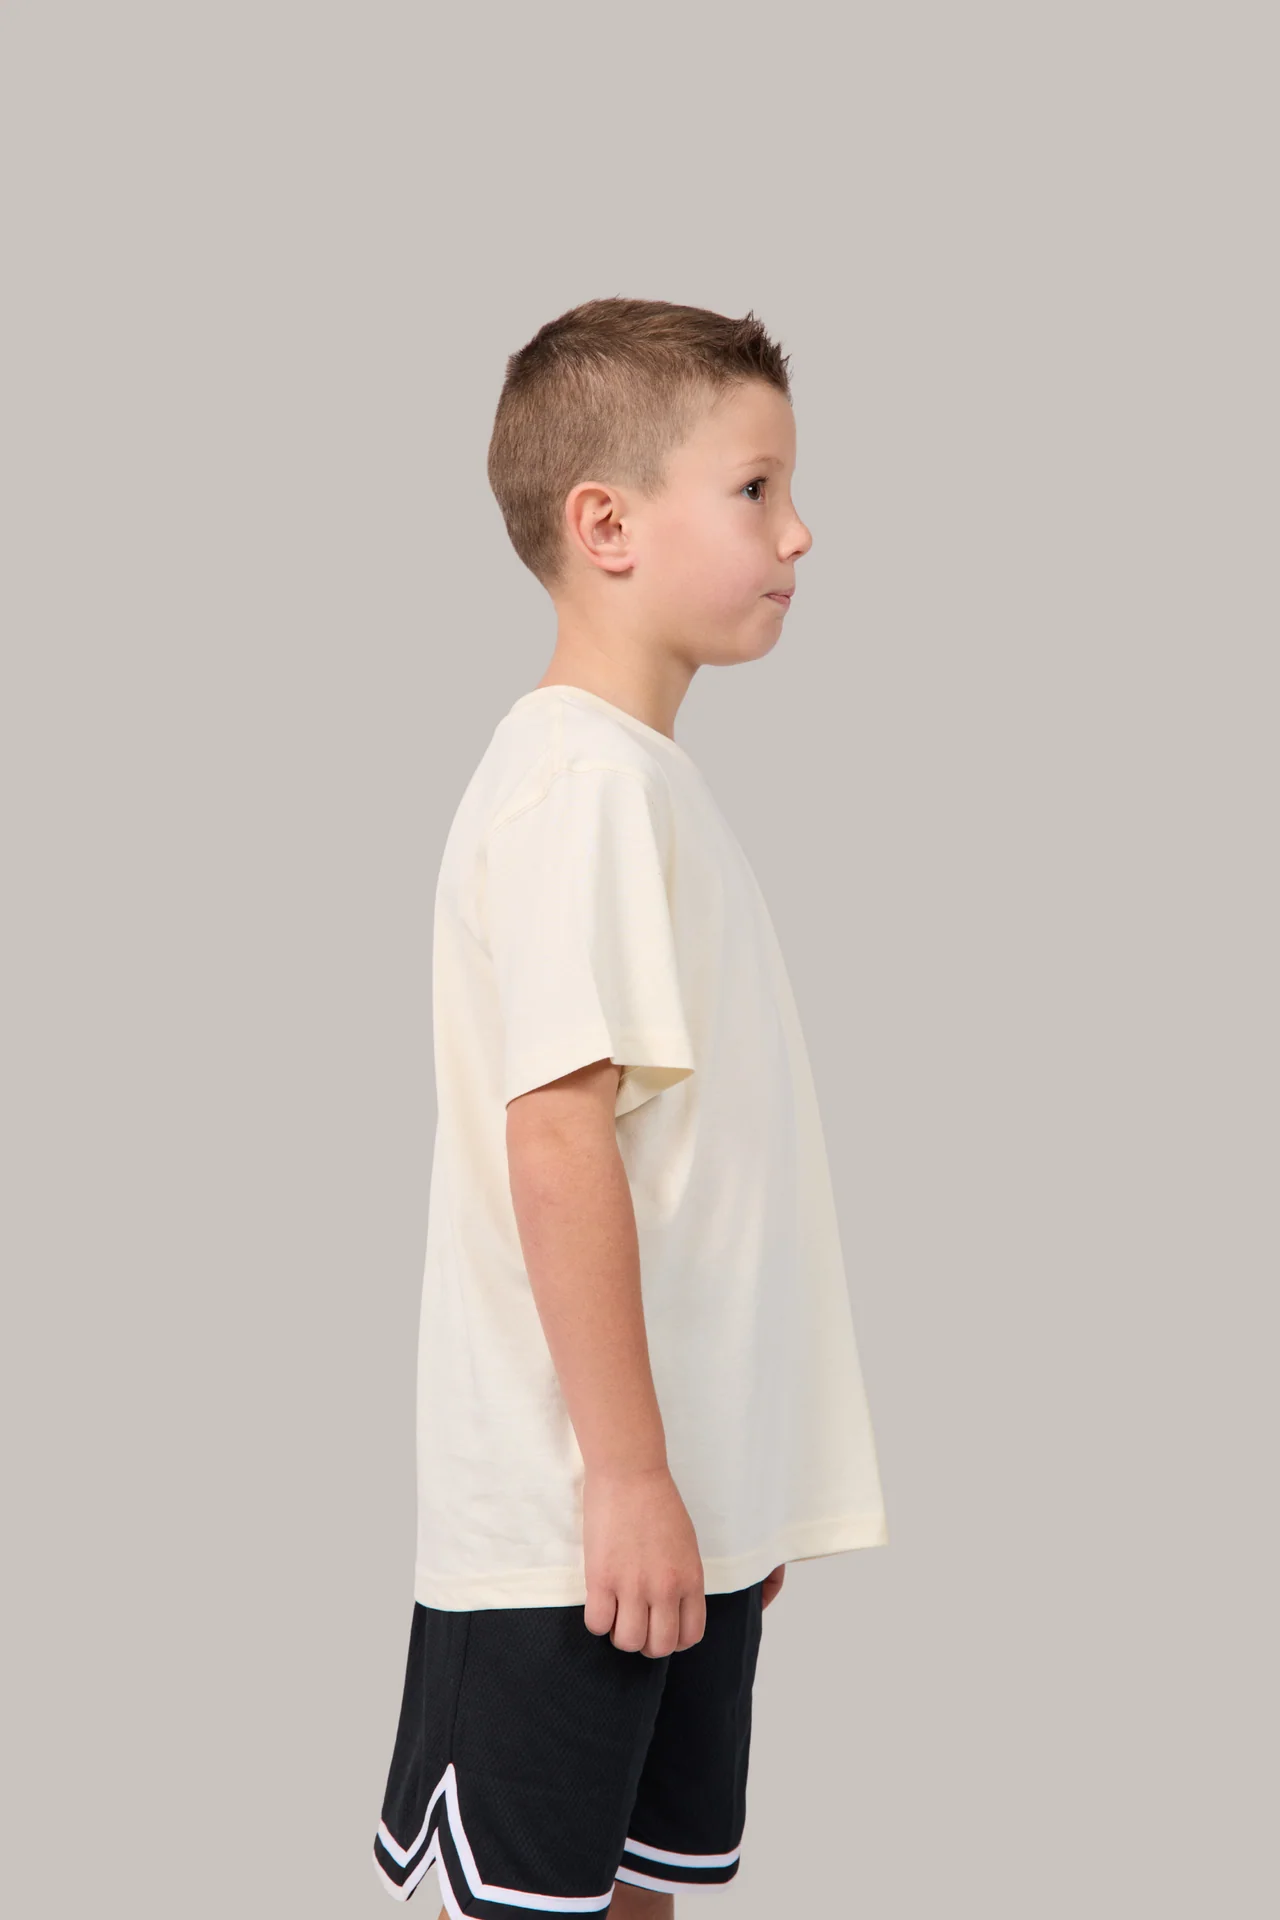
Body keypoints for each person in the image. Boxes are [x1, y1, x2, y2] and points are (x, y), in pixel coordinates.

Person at [371, 296, 889, 1916]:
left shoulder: (643, 785)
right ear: (606, 525)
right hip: (574, 1519)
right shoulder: (577, 787)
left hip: (668, 1505)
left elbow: (698, 1181)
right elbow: (556, 1139)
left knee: (637, 1890)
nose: (798, 531)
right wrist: (632, 1477)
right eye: (754, 489)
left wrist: (726, 1482)